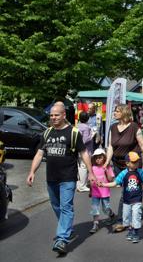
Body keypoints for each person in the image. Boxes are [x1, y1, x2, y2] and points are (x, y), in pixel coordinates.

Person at [27, 105, 95, 254]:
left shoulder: (74, 132)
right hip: (51, 177)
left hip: (68, 177)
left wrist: (90, 172)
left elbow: (83, 153)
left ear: (64, 115)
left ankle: (62, 239)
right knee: (56, 205)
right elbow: (39, 154)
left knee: (66, 207)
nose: (53, 118)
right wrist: (32, 171)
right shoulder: (46, 133)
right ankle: (67, 229)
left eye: (56, 115)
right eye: (51, 115)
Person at [106, 104, 143, 232]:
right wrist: (106, 162)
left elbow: (142, 145)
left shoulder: (134, 127)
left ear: (124, 113)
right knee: (126, 190)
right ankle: (131, 211)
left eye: (117, 111)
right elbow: (111, 147)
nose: (114, 113)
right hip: (117, 163)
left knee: (126, 191)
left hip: (132, 164)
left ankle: (122, 220)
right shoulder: (112, 127)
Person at [100, 151, 143, 244]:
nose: (137, 163)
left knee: (136, 215)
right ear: (127, 163)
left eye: (137, 161)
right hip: (126, 200)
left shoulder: (140, 172)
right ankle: (130, 231)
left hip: (137, 199)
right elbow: (115, 183)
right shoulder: (123, 173)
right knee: (127, 217)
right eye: (134, 162)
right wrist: (103, 184)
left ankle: (136, 233)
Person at [89, 148, 115, 234]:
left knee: (105, 208)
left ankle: (111, 214)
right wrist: (90, 191)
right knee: (95, 208)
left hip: (104, 192)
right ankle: (95, 224)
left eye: (100, 157)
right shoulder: (92, 168)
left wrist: (106, 170)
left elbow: (111, 179)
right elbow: (91, 181)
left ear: (104, 157)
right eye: (96, 158)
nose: (98, 160)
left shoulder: (108, 167)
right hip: (95, 192)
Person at [76, 112, 92, 192]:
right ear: (87, 118)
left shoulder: (77, 126)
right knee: (84, 167)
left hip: (78, 149)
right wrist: (92, 135)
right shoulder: (86, 127)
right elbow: (85, 140)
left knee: (80, 166)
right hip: (85, 150)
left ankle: (79, 184)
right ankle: (82, 185)